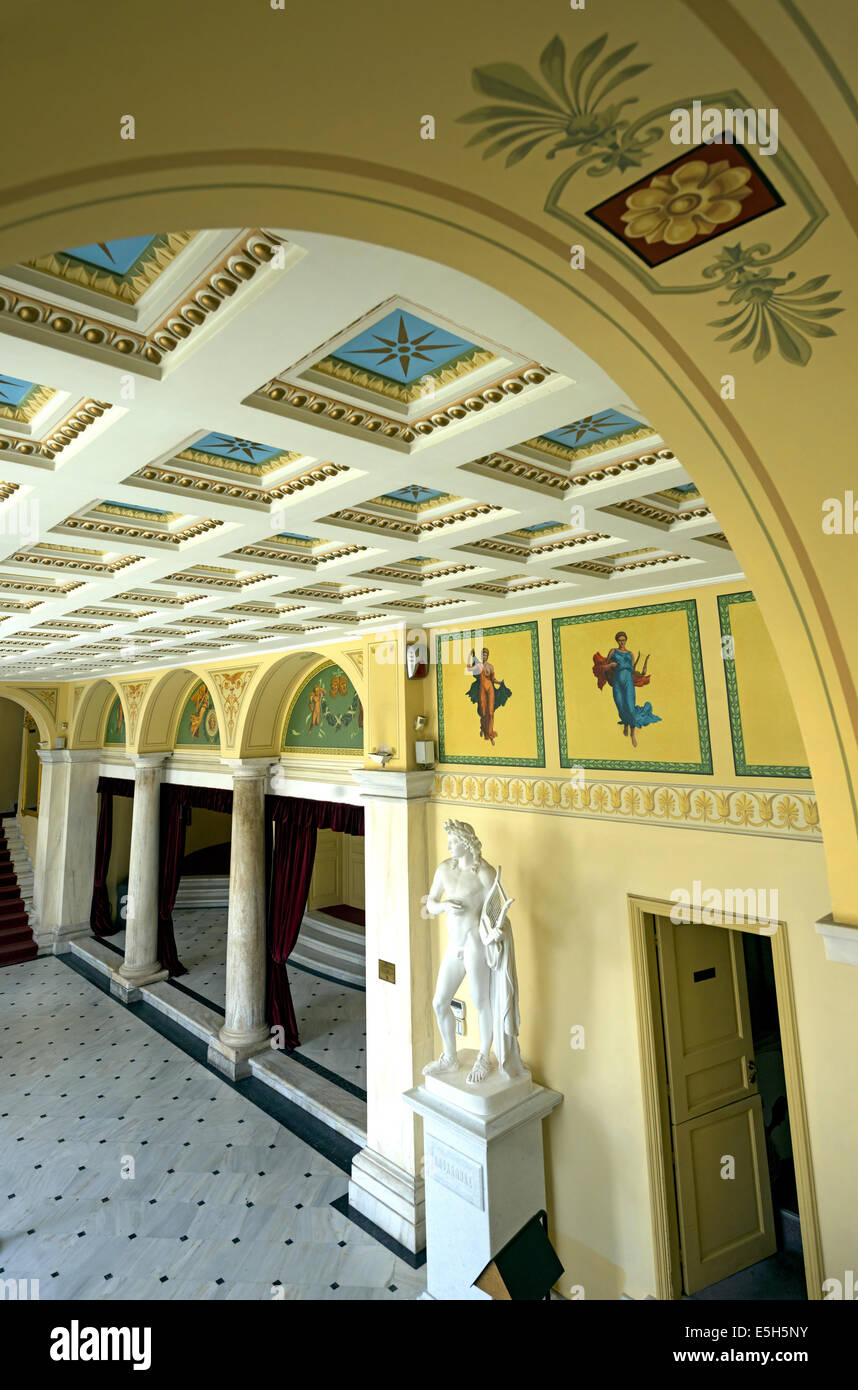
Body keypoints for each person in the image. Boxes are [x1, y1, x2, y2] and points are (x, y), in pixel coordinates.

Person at [422, 819, 523, 1085]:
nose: (449, 846)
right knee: (439, 1002)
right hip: (454, 945)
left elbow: (497, 913)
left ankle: (483, 1056)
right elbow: (430, 903)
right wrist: (443, 906)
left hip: (474, 944)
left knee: (481, 1002)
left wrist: (497, 933)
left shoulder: (484, 873)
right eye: (449, 842)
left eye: (453, 842)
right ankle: (450, 1057)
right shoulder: (445, 869)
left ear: (467, 843)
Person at [593, 630, 661, 748]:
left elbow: (634, 670)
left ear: (626, 640)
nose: (622, 642)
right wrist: (611, 665)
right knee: (620, 705)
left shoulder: (631, 654)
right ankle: (625, 723)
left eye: (624, 640)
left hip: (628, 683)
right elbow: (604, 667)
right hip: (617, 683)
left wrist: (643, 669)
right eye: (620, 640)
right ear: (617, 641)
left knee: (630, 706)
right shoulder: (613, 651)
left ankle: (633, 733)